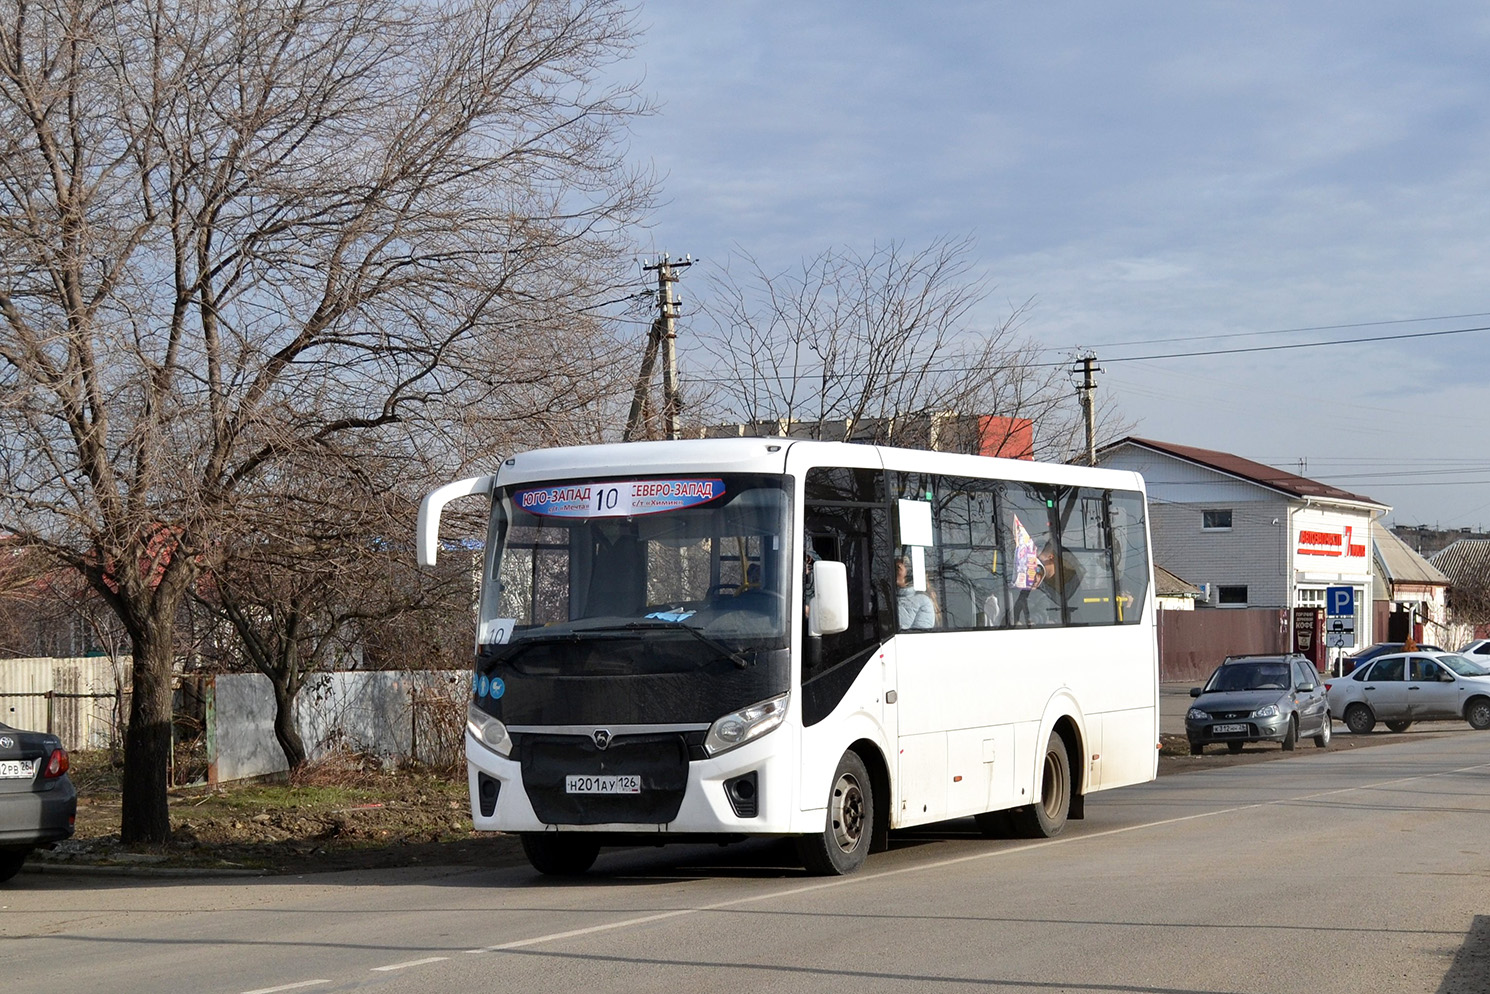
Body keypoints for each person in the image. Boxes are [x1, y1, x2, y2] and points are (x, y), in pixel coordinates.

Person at [895, 556, 936, 630]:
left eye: (898, 568)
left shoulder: (921, 600)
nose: (895, 572)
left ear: (908, 576)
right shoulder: (897, 595)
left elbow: (899, 626)